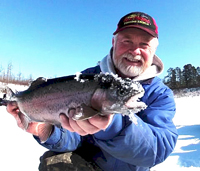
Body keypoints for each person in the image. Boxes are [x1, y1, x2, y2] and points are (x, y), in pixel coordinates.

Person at [7, 12, 178, 171]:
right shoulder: (86, 78)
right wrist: (46, 130)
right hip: (88, 166)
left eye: (144, 44)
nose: (135, 51)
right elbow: (73, 137)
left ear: (153, 50)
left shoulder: (160, 94)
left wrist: (114, 127)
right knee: (53, 162)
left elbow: (157, 150)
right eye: (127, 41)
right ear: (114, 43)